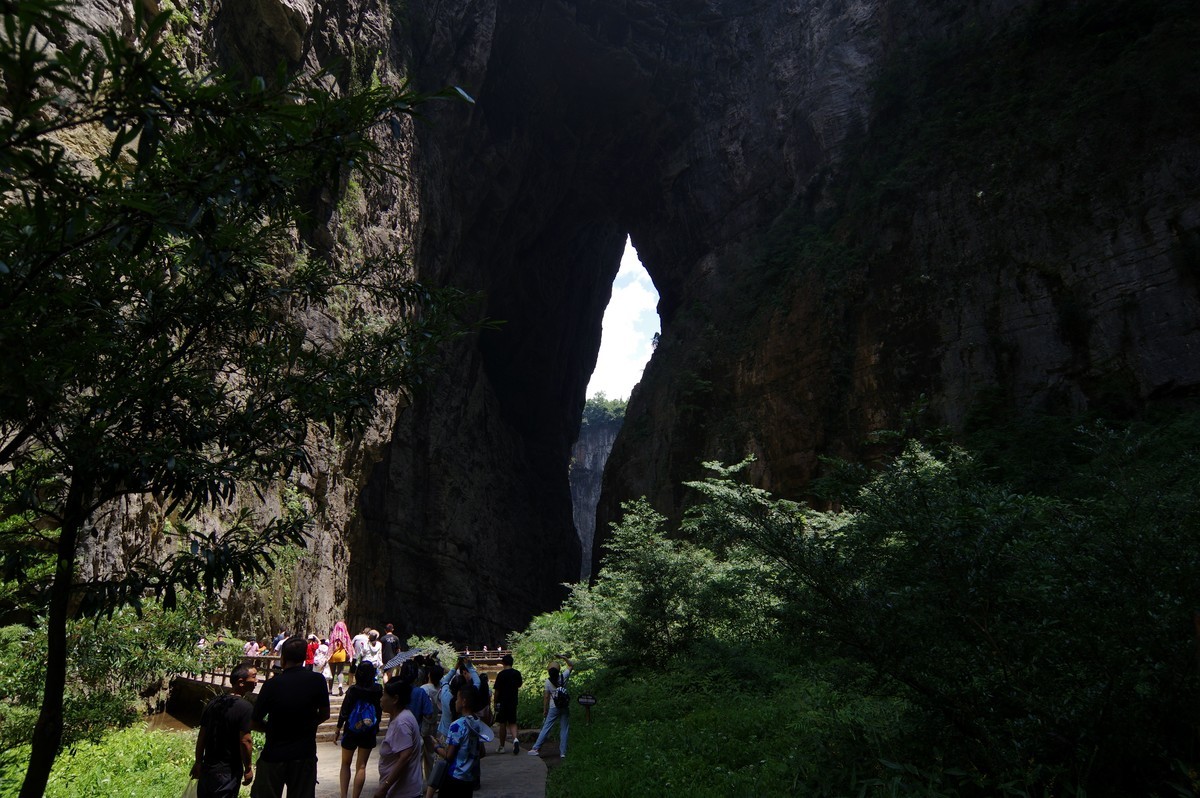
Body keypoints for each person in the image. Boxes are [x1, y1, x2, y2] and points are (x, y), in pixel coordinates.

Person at [250, 637, 331, 798]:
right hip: (304, 754)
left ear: (283, 658)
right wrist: (307, 725)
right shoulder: (317, 681)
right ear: (305, 657)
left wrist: (271, 729)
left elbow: (254, 721)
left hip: (274, 754)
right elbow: (325, 714)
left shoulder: (272, 684)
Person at [191, 663, 257, 797]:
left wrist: (198, 762)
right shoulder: (246, 707)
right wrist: (248, 768)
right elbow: (245, 741)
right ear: (241, 682)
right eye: (254, 677)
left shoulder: (213, 703)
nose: (257, 681)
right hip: (228, 772)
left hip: (208, 767)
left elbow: (202, 735)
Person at [430, 685, 493, 798]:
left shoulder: (457, 725)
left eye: (457, 698)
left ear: (464, 702)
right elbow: (482, 752)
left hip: (454, 777)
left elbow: (449, 756)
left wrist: (436, 746)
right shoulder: (477, 724)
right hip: (469, 778)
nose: (455, 702)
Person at [336, 661, 383, 798]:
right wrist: (377, 725)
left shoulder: (353, 690)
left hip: (351, 729)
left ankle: (343, 795)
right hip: (369, 729)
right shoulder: (378, 689)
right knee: (361, 766)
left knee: (345, 763)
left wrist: (338, 728)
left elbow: (344, 711)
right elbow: (379, 710)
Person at [375, 680, 423, 798]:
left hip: (403, 792)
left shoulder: (402, 722)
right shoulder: (401, 717)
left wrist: (384, 787)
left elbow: (405, 756)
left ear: (395, 699)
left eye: (384, 695)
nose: (381, 699)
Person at [529, 655, 573, 760]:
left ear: (549, 672)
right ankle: (563, 752)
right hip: (564, 706)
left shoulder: (548, 682)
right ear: (558, 671)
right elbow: (571, 665)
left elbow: (546, 697)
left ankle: (536, 748)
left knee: (546, 727)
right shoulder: (563, 676)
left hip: (554, 707)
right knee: (564, 729)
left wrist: (545, 710)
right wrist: (563, 657)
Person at [491, 654, 523, 754]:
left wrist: (495, 702)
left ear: (503, 663)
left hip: (503, 702)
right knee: (513, 722)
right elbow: (519, 685)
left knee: (503, 723)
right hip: (513, 701)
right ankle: (515, 740)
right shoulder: (516, 673)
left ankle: (502, 747)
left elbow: (497, 691)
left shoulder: (501, 675)